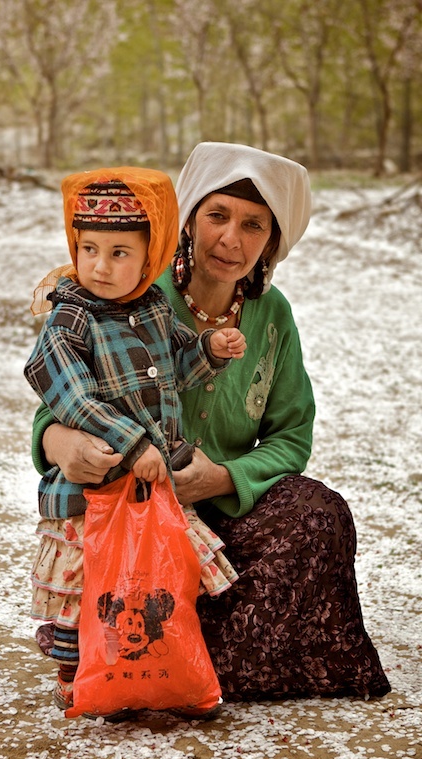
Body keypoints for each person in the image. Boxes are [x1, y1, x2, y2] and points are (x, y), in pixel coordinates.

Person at [33, 142, 391, 703]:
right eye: (217, 216)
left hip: (216, 520)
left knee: (320, 514)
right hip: (134, 510)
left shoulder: (273, 316)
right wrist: (61, 441)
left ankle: (188, 660)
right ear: (188, 220)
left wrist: (220, 478)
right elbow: (57, 398)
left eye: (253, 225)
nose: (232, 239)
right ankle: (133, 662)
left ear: (272, 240)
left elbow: (291, 437)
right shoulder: (132, 291)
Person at [24, 167, 245, 714]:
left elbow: (177, 367)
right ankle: (77, 673)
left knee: (153, 585)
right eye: (89, 248)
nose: (101, 265)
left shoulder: (153, 307)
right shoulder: (68, 320)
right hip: (92, 494)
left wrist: (210, 350)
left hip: (151, 491)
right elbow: (71, 399)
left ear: (149, 257)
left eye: (120, 252)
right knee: (88, 591)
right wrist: (134, 444)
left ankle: (155, 667)